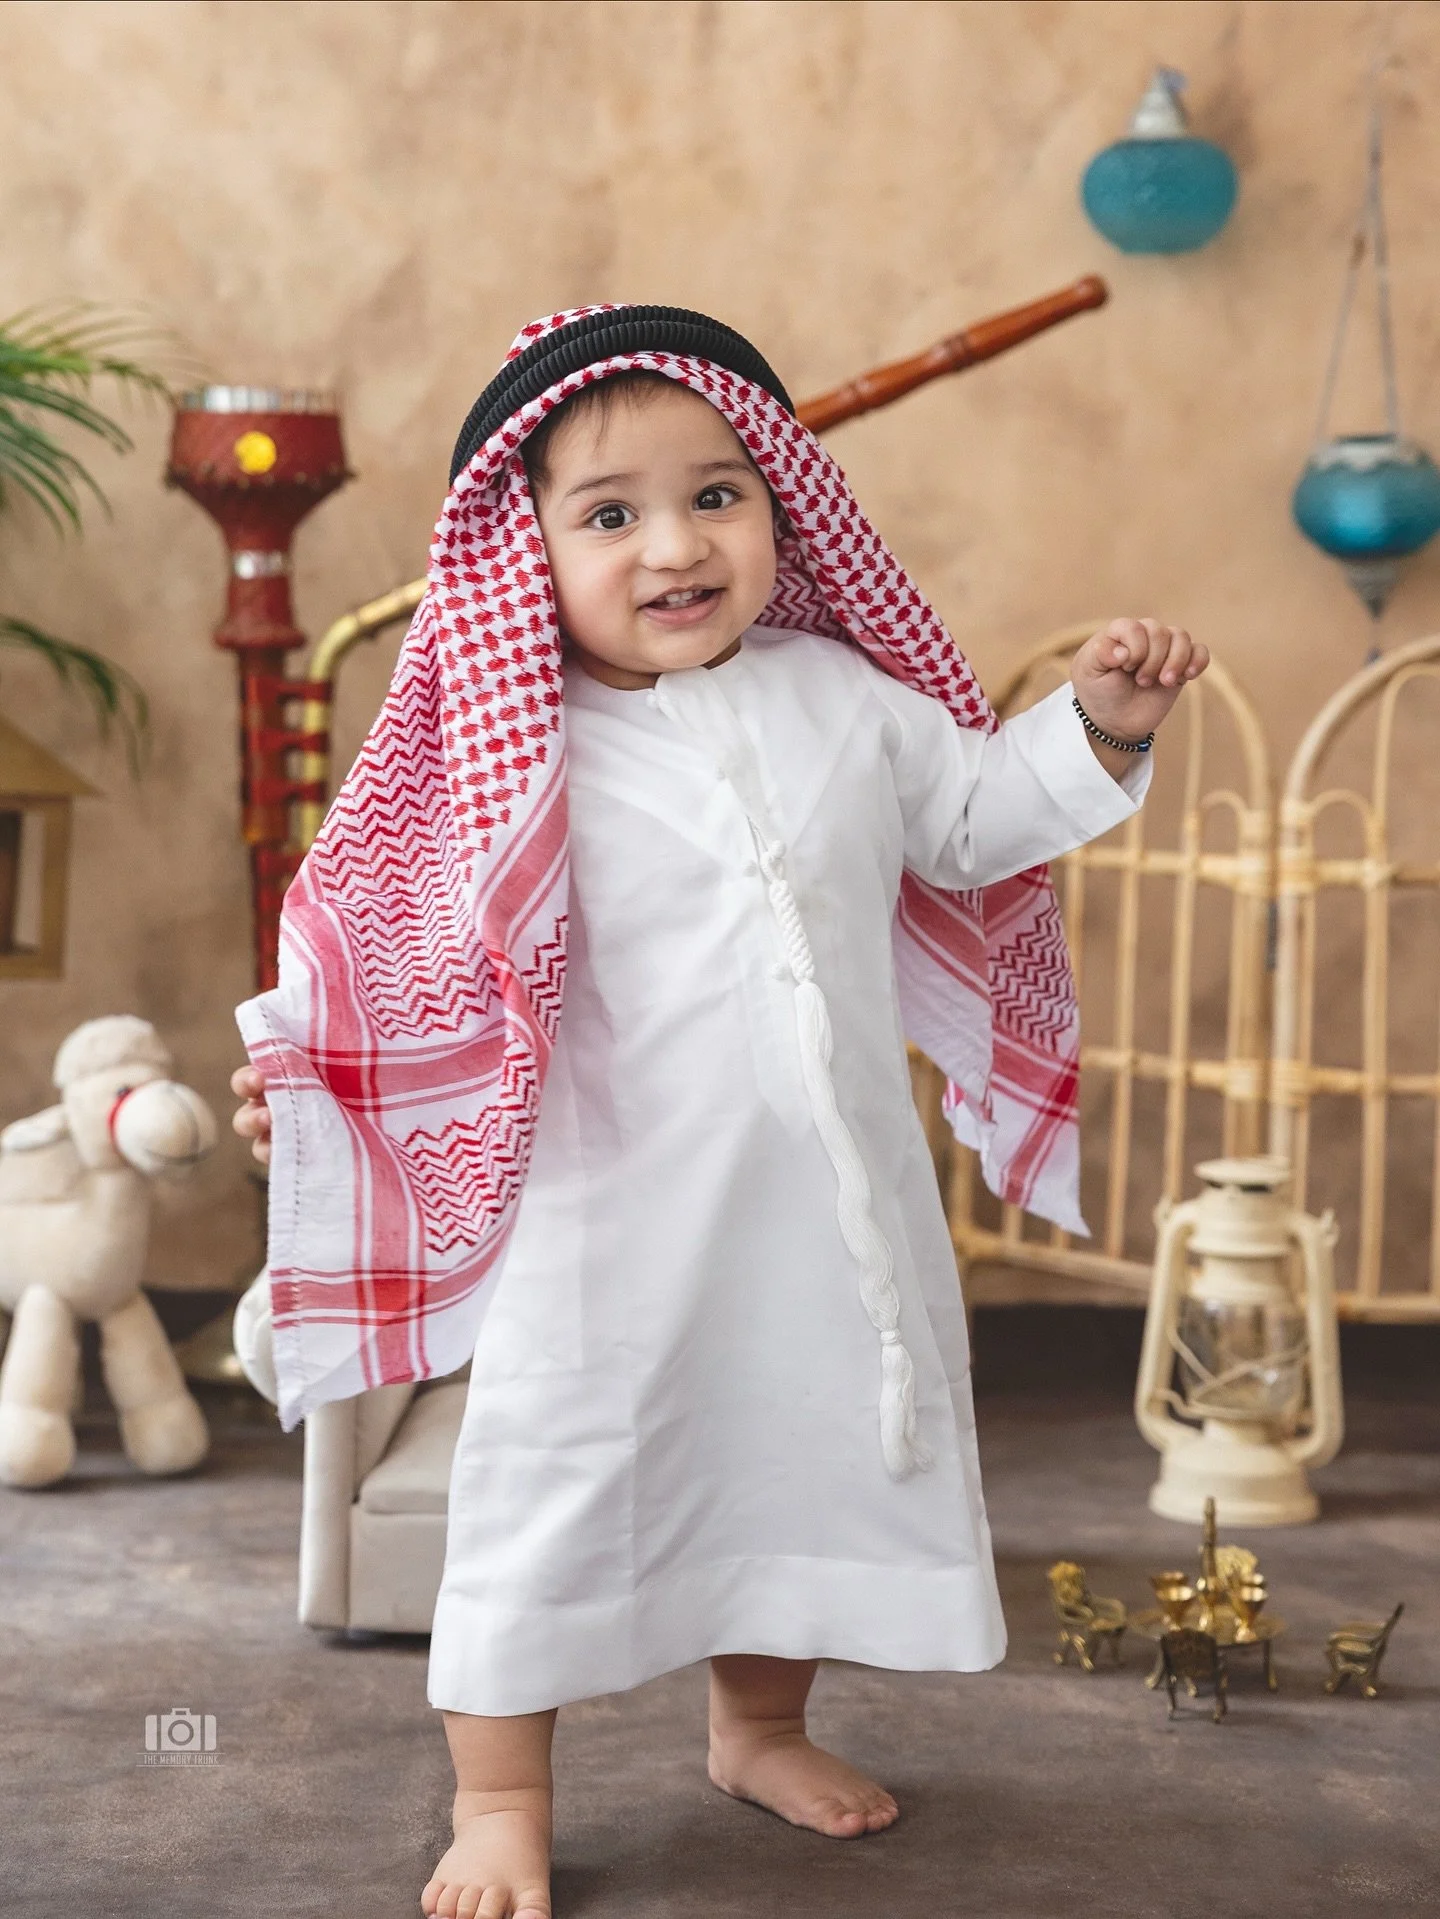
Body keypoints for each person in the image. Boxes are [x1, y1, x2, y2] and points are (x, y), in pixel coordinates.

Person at [230, 306, 1207, 1919]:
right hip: (603, 1224)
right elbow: (384, 954)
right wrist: (316, 1104)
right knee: (551, 1480)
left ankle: (758, 1724)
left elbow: (973, 819)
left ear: (782, 508)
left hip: (827, 1216)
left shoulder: (843, 696)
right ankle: (498, 1795)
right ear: (521, 547)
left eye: (718, 495)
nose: (675, 546)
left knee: (803, 1455)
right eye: (609, 515)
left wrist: (1103, 723)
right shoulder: (511, 749)